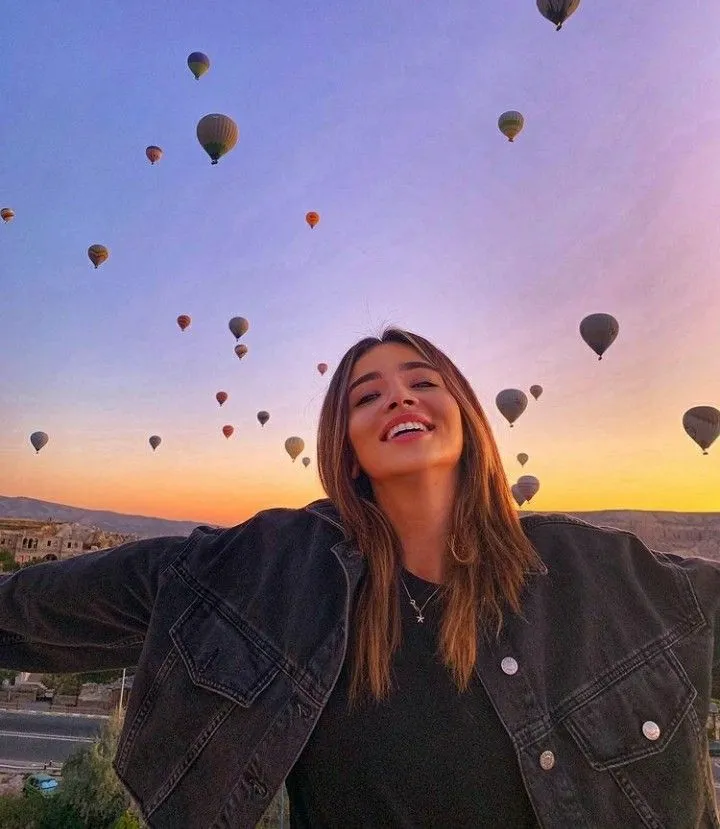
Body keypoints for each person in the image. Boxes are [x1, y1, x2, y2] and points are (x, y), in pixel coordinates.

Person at [0, 327, 718, 828]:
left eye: (422, 382)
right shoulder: (269, 572)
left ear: (467, 414)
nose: (400, 398)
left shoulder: (603, 577)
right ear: (344, 446)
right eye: (367, 395)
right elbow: (43, 609)